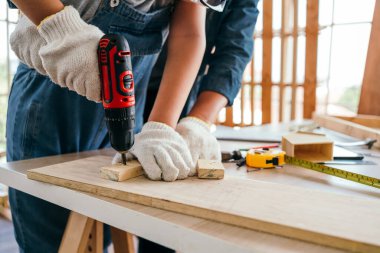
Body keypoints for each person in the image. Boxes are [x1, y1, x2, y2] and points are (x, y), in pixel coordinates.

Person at [6, 0, 221, 252]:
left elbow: (189, 32)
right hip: (50, 104)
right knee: (49, 242)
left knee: (102, 235)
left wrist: (160, 127)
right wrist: (60, 29)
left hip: (127, 109)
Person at [140, 1, 259, 251]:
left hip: (178, 93)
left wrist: (198, 121)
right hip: (116, 84)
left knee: (165, 211)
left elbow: (234, 50)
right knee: (98, 203)